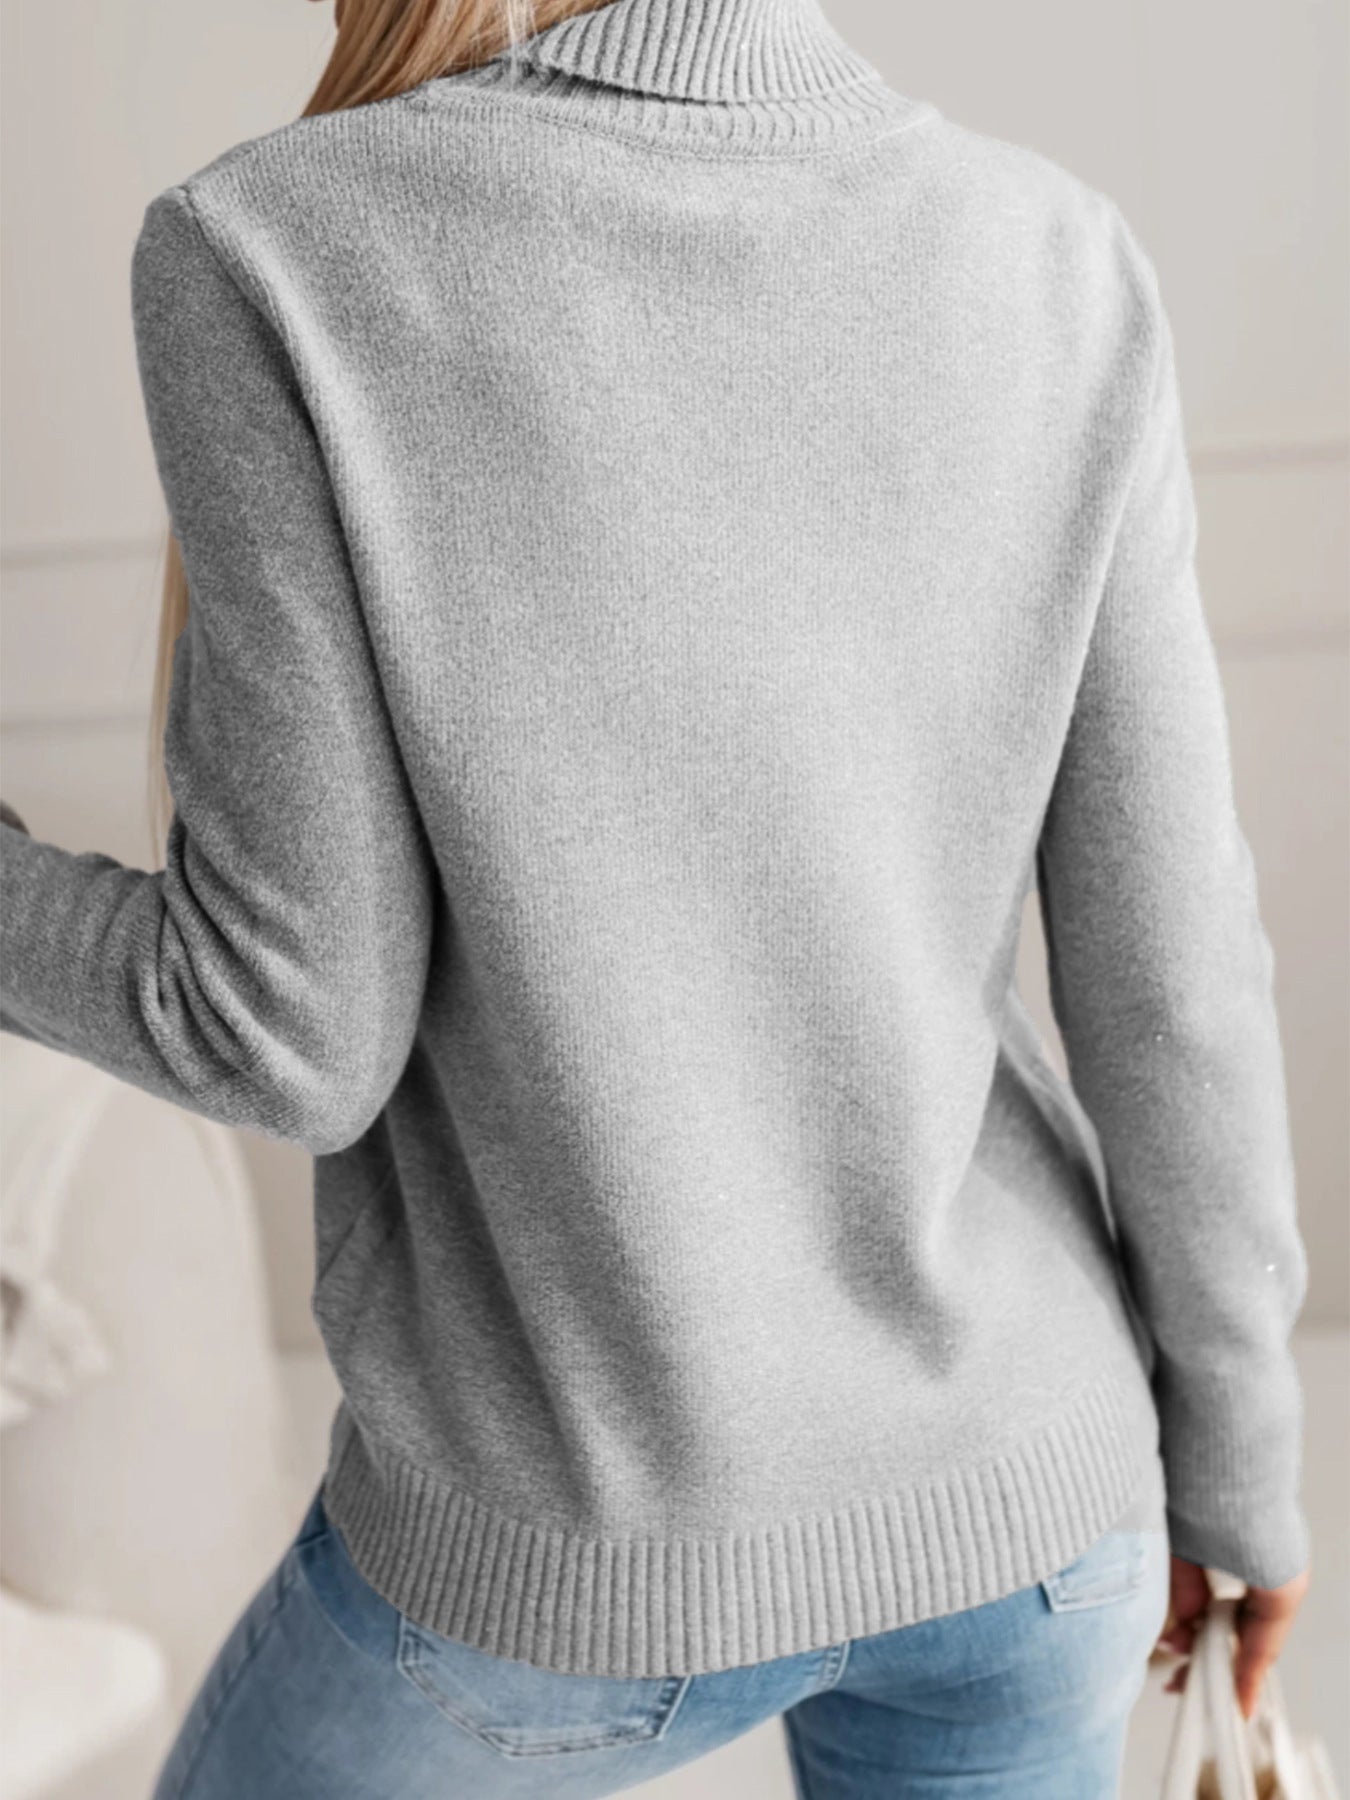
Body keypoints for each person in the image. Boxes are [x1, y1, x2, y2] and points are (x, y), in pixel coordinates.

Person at [0, 0, 1314, 1793]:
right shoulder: (1054, 254)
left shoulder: (275, 248)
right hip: (1030, 1521)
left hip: (560, 1558)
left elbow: (278, 1032)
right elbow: (1173, 983)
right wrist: (1237, 1472)